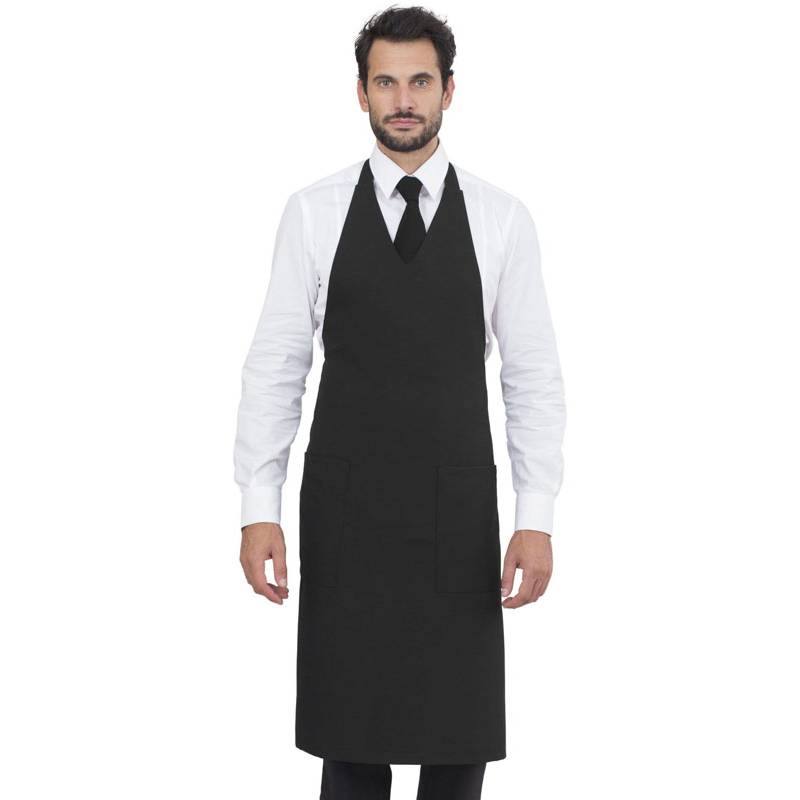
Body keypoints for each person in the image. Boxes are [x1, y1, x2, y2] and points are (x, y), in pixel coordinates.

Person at [233, 6, 566, 798]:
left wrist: (536, 516)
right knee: (350, 741)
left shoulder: (501, 218)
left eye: (420, 81)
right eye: (386, 83)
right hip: (347, 512)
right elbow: (276, 364)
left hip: (458, 517)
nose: (404, 100)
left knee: (456, 742)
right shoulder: (312, 211)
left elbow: (532, 376)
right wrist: (258, 505)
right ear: (362, 93)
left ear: (449, 90)